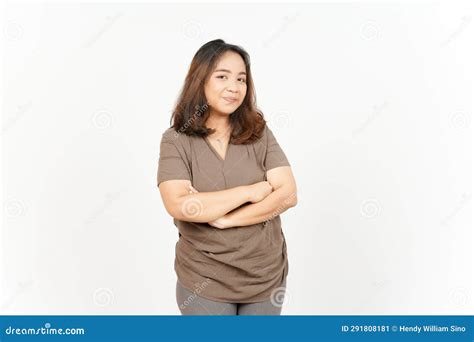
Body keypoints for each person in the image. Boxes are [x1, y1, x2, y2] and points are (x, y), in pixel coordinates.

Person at [157, 39, 297, 315]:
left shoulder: (259, 133)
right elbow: (178, 204)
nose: (234, 87)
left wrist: (226, 218)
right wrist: (249, 192)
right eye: (222, 76)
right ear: (201, 80)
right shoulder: (176, 140)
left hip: (264, 276)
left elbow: (288, 194)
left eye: (241, 79)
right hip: (204, 280)